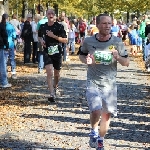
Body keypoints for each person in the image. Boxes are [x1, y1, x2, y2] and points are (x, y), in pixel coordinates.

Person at [79, 13, 129, 150]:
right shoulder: (89, 41)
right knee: (96, 110)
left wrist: (118, 57)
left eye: (109, 23)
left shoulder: (117, 42)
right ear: (97, 24)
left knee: (106, 115)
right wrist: (86, 60)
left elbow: (126, 63)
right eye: (104, 23)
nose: (107, 26)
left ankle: (100, 140)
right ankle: (93, 131)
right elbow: (81, 55)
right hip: (93, 82)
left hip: (110, 85)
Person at [38, 9, 67, 102]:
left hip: (57, 51)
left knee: (57, 73)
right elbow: (39, 36)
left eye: (52, 14)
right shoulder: (43, 26)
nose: (50, 15)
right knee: (49, 72)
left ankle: (55, 86)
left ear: (54, 16)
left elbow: (65, 40)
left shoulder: (59, 26)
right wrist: (41, 41)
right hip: (47, 51)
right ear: (46, 15)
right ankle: (51, 94)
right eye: (49, 13)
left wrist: (53, 36)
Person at [1, 13, 17, 79]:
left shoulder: (1, 25)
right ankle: (13, 73)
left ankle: (5, 73)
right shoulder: (11, 26)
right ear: (8, 18)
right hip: (10, 44)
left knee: (4, 60)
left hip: (3, 45)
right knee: (12, 58)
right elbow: (14, 36)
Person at [0, 14, 10, 88]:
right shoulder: (2, 25)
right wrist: (6, 45)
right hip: (0, 46)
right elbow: (4, 35)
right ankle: (4, 82)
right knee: (2, 64)